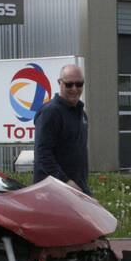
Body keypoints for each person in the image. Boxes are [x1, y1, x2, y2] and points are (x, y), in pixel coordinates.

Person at [32, 64, 91, 194]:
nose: (74, 89)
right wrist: (66, 181)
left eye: (79, 84)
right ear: (60, 83)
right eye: (69, 84)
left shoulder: (82, 114)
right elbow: (43, 154)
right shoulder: (51, 112)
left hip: (77, 190)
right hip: (53, 193)